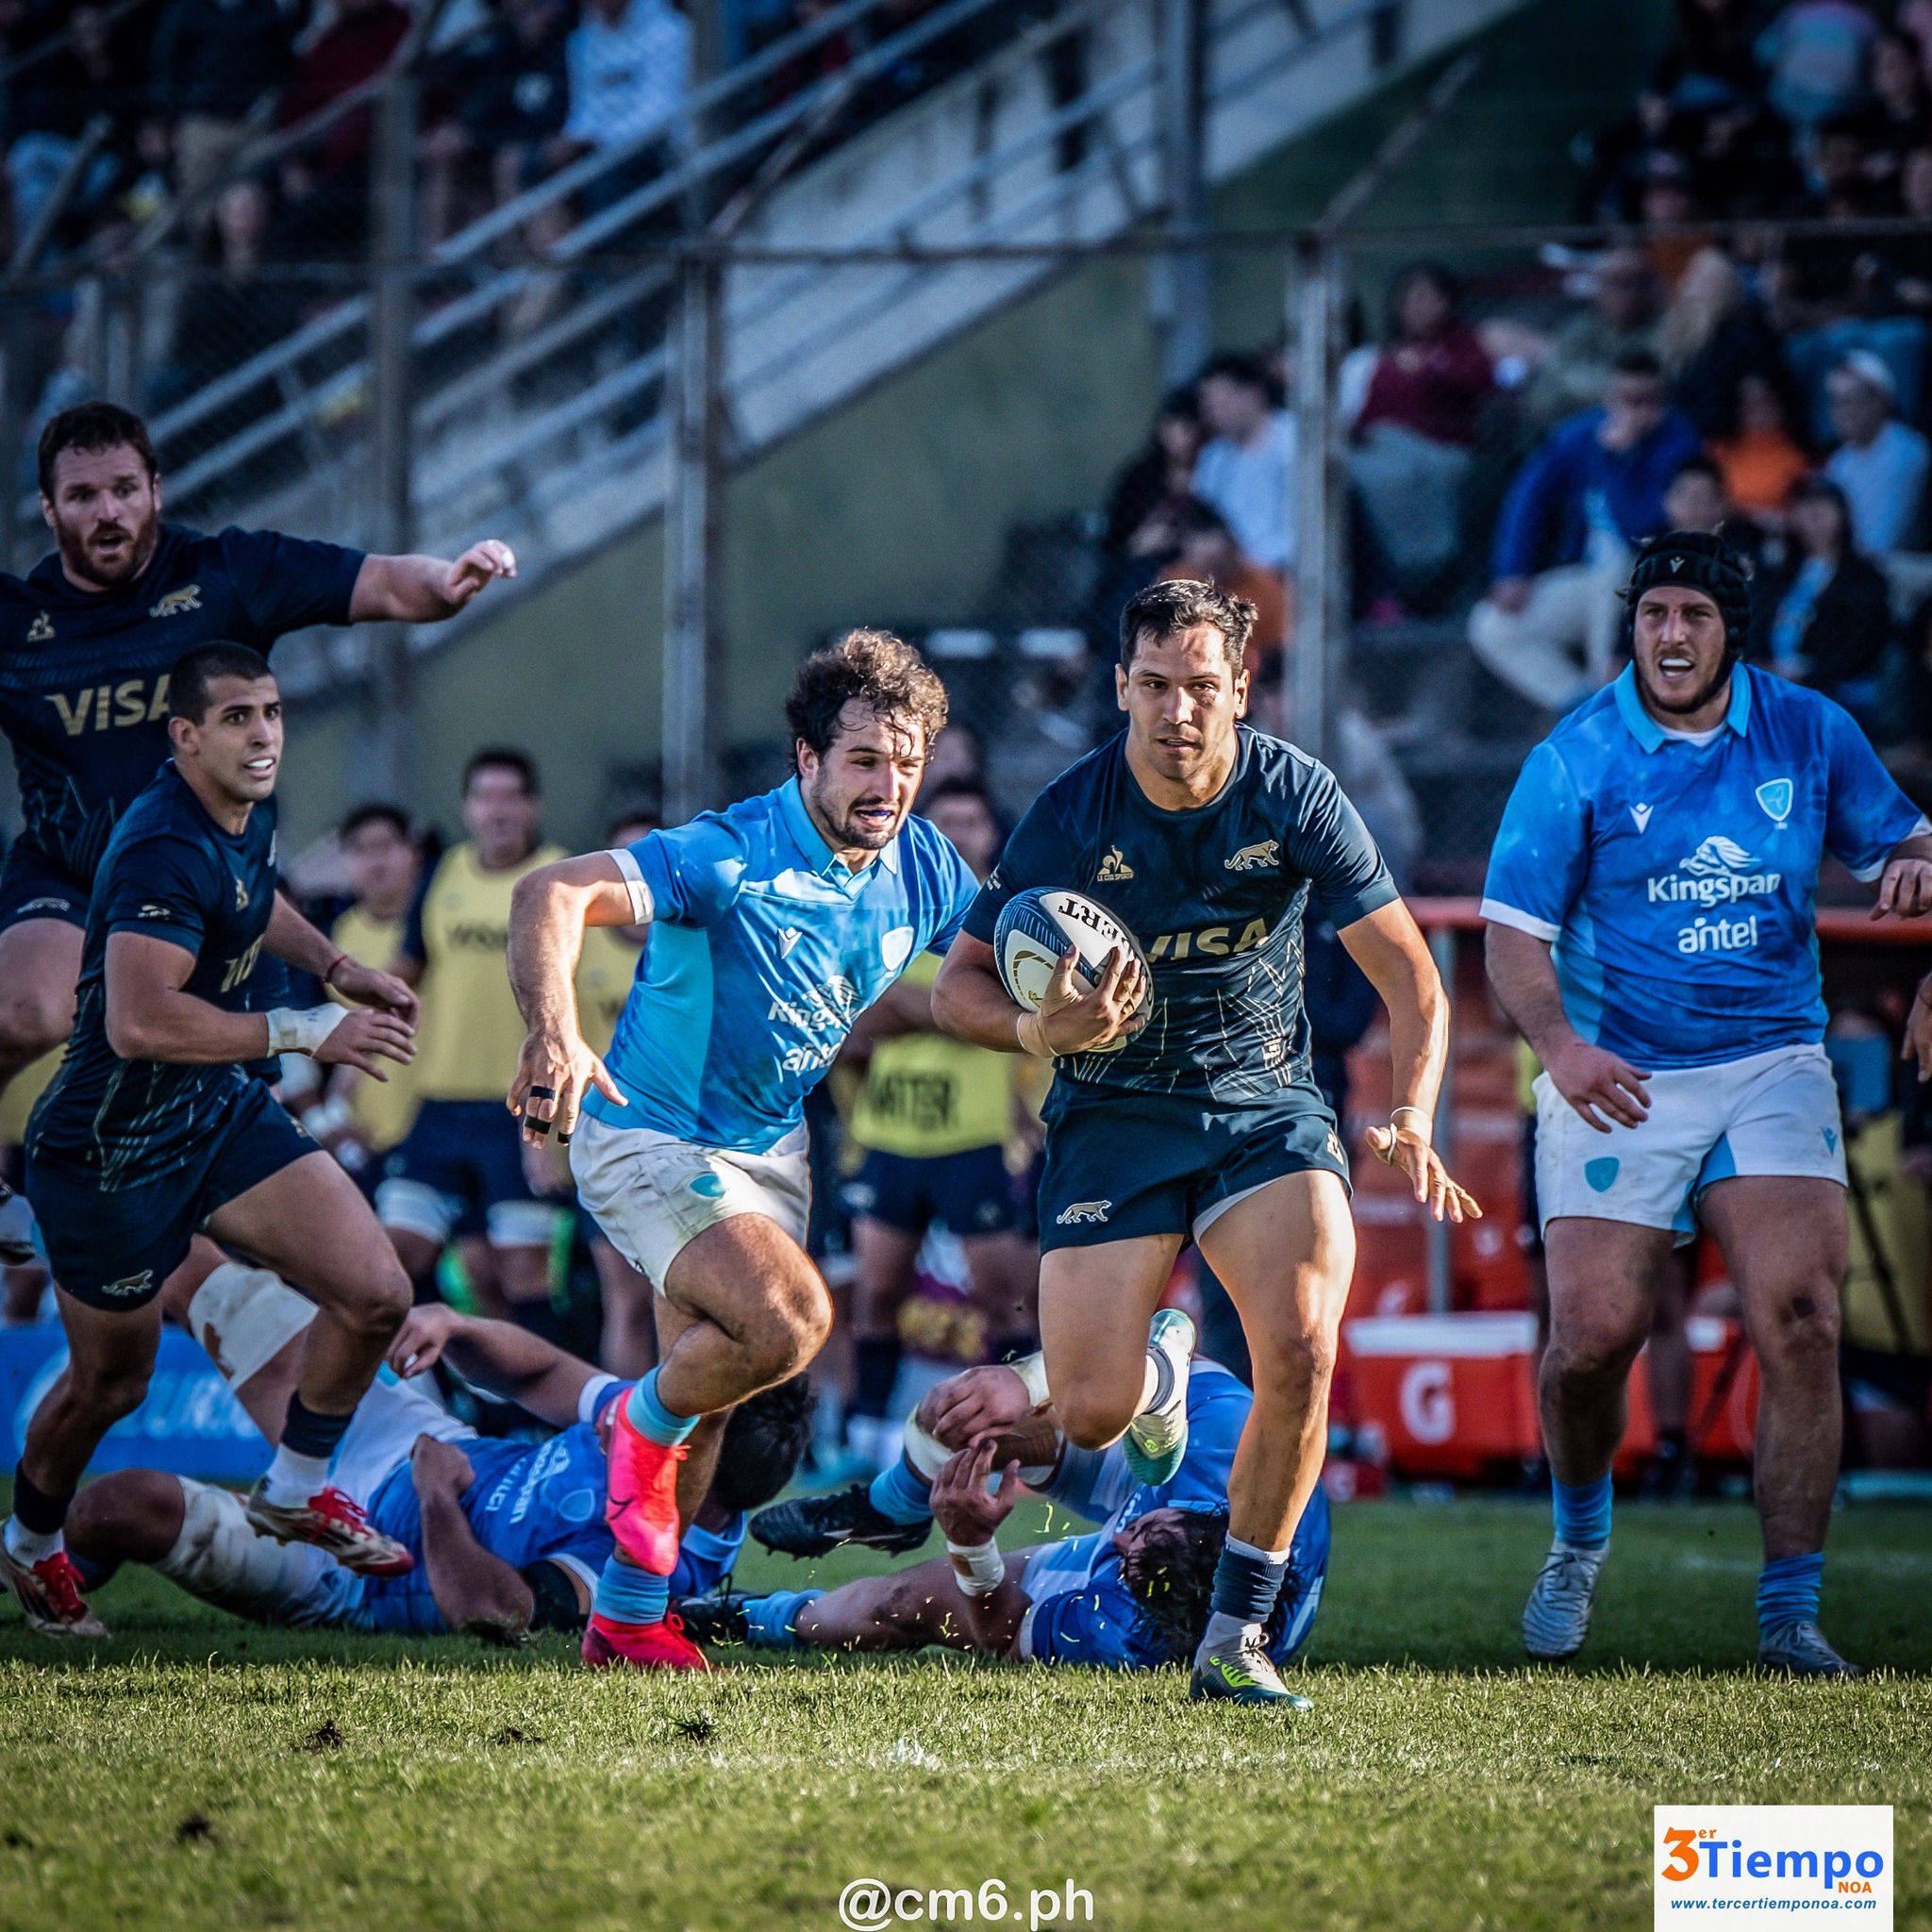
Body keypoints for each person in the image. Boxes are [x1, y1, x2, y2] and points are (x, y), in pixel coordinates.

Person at [926, 578, 1477, 1707]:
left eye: (1200, 686)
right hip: (1113, 1118)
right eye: (1154, 685)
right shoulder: (1071, 814)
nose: (1176, 710)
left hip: (1258, 1107)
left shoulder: (1293, 793)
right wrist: (1041, 1029)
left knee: (1302, 1347)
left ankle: (1235, 1632)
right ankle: (1158, 1371)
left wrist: (1413, 1111)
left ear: (1240, 688)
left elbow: (1410, 977)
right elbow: (956, 989)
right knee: (1088, 1408)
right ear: (1120, 686)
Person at [1481, 529, 1932, 1676]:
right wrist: (1560, 1050)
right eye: (1652, 614)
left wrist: (1921, 882)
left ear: (1733, 630)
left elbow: (1909, 839)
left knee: (1803, 1316)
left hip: (1771, 1059)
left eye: (1692, 614)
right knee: (1591, 1342)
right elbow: (1510, 938)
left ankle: (1789, 1613)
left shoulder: (1808, 729)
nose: (1669, 635)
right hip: (1616, 1073)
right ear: (1629, 626)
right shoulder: (1572, 754)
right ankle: (1576, 1539)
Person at [505, 630, 977, 1671]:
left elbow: (989, 966)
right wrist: (554, 1031)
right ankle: (632, 1420)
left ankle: (627, 1620)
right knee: (791, 1320)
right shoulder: (727, 853)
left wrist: (1060, 1014)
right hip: (647, 1134)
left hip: (769, 1151)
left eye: (906, 763)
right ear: (806, 758)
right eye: (863, 759)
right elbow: (550, 893)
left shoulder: (923, 864)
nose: (888, 785)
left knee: (715, 1396)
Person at [0, 401, 515, 1236]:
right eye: (83, 496)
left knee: (321, 1257)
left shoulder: (227, 573)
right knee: (33, 1009)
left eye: (125, 489)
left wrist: (447, 582)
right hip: (68, 879)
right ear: (50, 509)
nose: (108, 512)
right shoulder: (20, 624)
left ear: (156, 490)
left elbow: (384, 581)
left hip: (212, 894)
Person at [2, 644, 426, 1637]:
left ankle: (295, 1487)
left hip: (215, 1111)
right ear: (184, 737)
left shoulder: (244, 807)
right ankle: (28, 1540)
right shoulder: (159, 844)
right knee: (114, 1382)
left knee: (377, 1292)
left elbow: (253, 895)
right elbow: (137, 1023)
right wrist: (306, 1027)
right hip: (109, 1153)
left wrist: (335, 966)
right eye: (237, 717)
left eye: (271, 711)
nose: (264, 734)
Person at [62, 1263, 813, 1637]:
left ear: (696, 1459)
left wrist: (436, 1499)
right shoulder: (670, 1415)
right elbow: (541, 1375)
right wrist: (455, 1326)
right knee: (193, 1271)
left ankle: (44, 1572)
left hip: (358, 1567)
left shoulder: (658, 1566)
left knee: (114, 1508)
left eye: (671, 1425)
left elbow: (498, 1614)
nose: (643, 1416)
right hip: (408, 1440)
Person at [718, 1325, 1327, 1672]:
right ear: (1209, 1521)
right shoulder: (1232, 1443)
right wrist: (1027, 1383)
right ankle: (891, 1507)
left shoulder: (1127, 1630)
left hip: (1167, 1590)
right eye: (1141, 1530)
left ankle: (750, 1617)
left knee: (905, 1603)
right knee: (969, 1416)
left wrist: (971, 1545)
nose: (1115, 1538)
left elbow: (1003, 1634)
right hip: (1170, 1470)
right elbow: (1170, 1339)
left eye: (1127, 1557)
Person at [825, 776, 1039, 1478]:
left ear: (992, 834)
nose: (956, 834)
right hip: (891, 1136)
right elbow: (852, 1020)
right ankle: (865, 1447)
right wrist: (956, 1008)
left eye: (970, 821)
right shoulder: (884, 914)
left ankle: (1019, 1449)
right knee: (876, 1298)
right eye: (942, 820)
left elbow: (1015, 1014)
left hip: (976, 1140)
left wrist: (911, 1005)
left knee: (1005, 1303)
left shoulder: (1012, 921)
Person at [376, 750, 568, 1331]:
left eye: (511, 796)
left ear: (534, 806)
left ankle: (541, 1390)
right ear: (467, 808)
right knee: (392, 1263)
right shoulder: (443, 873)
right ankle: (442, 1382)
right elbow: (406, 969)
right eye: (485, 796)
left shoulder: (562, 875)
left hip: (525, 1108)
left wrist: (555, 1113)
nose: (498, 810)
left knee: (523, 1278)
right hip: (440, 1103)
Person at [1470, 352, 1703, 712]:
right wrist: (1513, 569)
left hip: (1650, 582)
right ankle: (1584, 707)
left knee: (1617, 569)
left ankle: (1617, 705)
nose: (1637, 412)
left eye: (1649, 402)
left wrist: (1618, 461)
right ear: (1609, 400)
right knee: (1494, 625)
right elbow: (1531, 496)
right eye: (1628, 401)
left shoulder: (1679, 445)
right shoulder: (1581, 435)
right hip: (1586, 576)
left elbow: (1638, 528)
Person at [569, 809, 661, 1378]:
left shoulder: (696, 940)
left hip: (689, 1141)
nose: (635, 871)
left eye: (648, 856)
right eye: (623, 859)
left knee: (684, 1305)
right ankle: (622, 1421)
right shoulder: (577, 946)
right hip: (608, 1142)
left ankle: (691, 1427)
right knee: (625, 1302)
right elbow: (552, 1043)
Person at [301, 804, 424, 1192]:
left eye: (386, 846)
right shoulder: (335, 934)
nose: (376, 861)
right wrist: (332, 1116)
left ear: (413, 852)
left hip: (437, 1115)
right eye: (361, 850)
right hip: (364, 1130)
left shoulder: (440, 922)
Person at [1751, 474, 1894, 719]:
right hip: (1773, 683)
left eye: (1823, 505)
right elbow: (1756, 626)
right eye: (1805, 506)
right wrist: (1761, 664)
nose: (1814, 514)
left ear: (1843, 514)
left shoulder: (1864, 578)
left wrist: (1809, 675)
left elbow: (1862, 645)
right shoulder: (1780, 574)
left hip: (1834, 691)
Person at [1191, 355, 1298, 575]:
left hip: (1288, 568)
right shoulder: (1213, 457)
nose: (1213, 412)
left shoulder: (1294, 439)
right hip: (1228, 571)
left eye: (1222, 402)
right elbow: (1203, 519)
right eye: (1208, 405)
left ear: (1253, 394)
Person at [1154, 500, 1290, 672]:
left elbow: (1277, 645)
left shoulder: (1264, 585)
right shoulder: (1177, 581)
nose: (1213, 573)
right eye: (1205, 565)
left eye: (1217, 563)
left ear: (1233, 549)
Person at [1822, 352, 1931, 555]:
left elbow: (1882, 540)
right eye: (1837, 401)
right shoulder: (1838, 462)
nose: (1844, 411)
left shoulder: (1907, 451)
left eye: (1853, 399)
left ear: (1880, 400)